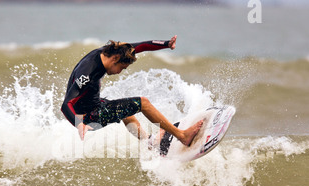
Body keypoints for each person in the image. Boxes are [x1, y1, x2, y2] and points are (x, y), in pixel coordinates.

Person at [60, 35, 203, 147]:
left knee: (125, 110)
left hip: (95, 105)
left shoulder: (110, 52)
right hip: (87, 118)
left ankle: (149, 143)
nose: (120, 72)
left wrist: (166, 44)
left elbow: (141, 46)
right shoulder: (86, 74)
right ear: (115, 59)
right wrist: (79, 125)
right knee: (143, 103)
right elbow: (66, 104)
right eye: (122, 68)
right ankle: (182, 136)